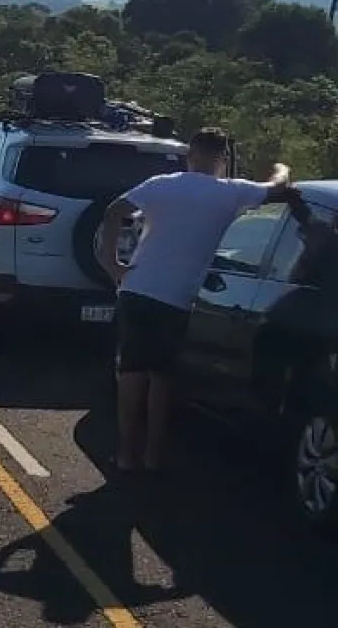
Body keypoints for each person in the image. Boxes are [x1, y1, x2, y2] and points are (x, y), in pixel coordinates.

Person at [95, 127, 298, 475]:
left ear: (190, 155)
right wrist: (282, 168)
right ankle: (153, 455)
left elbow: (114, 212)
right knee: (162, 376)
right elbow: (277, 188)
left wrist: (112, 263)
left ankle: (126, 454)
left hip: (138, 287)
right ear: (222, 160)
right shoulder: (230, 193)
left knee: (131, 371)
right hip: (177, 297)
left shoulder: (161, 184)